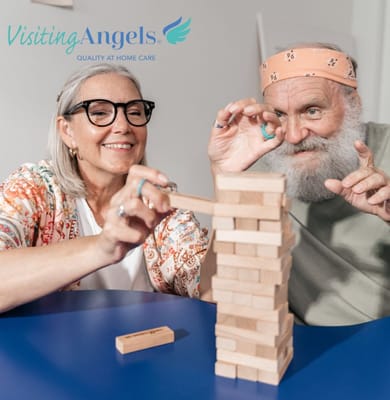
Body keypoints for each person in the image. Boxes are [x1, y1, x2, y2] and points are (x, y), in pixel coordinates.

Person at [0, 63, 208, 313]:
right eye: (99, 113)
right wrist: (102, 247)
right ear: (67, 132)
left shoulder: (161, 206)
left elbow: (210, 288)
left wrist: (229, 177)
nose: (123, 126)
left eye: (135, 112)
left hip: (141, 351)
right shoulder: (33, 188)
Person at [208, 42, 390, 326]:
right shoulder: (269, 172)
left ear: (353, 103)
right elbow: (220, 294)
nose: (293, 136)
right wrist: (224, 177)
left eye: (312, 111)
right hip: (303, 348)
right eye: (280, 114)